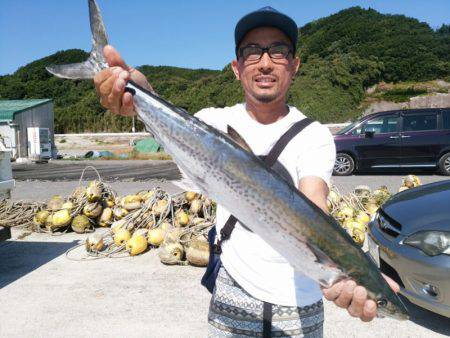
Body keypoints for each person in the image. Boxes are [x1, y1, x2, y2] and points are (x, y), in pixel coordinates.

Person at [93, 6, 399, 337]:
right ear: (237, 68)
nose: (265, 62)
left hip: (300, 308)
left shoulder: (314, 135)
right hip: (230, 297)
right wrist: (135, 89)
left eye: (279, 52)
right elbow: (164, 112)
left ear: (294, 66)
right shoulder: (211, 121)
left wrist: (359, 269)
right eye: (253, 52)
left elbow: (315, 205)